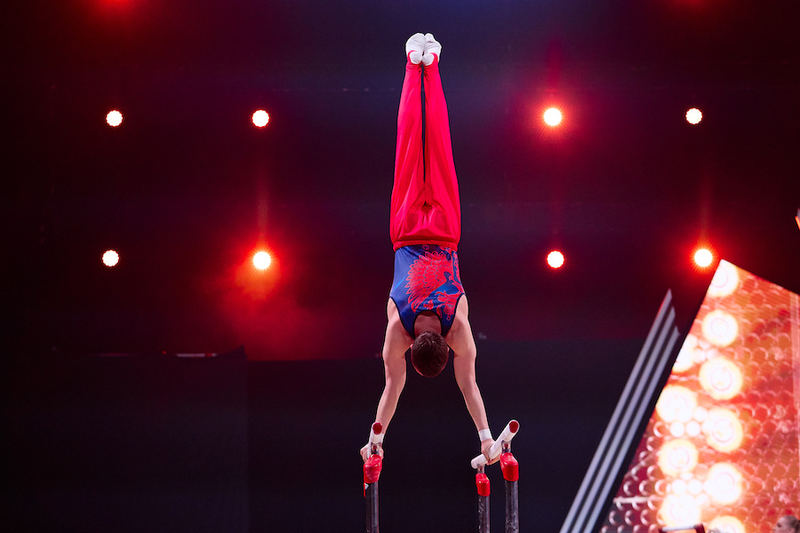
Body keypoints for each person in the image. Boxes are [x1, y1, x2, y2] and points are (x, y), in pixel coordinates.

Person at [360, 33, 496, 465]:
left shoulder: (458, 327)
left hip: (446, 231)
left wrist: (486, 437)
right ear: (413, 347)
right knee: (409, 145)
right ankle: (412, 62)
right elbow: (392, 388)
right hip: (404, 230)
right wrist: (375, 439)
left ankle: (430, 63)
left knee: (437, 143)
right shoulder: (396, 330)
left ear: (444, 345)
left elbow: (469, 386)